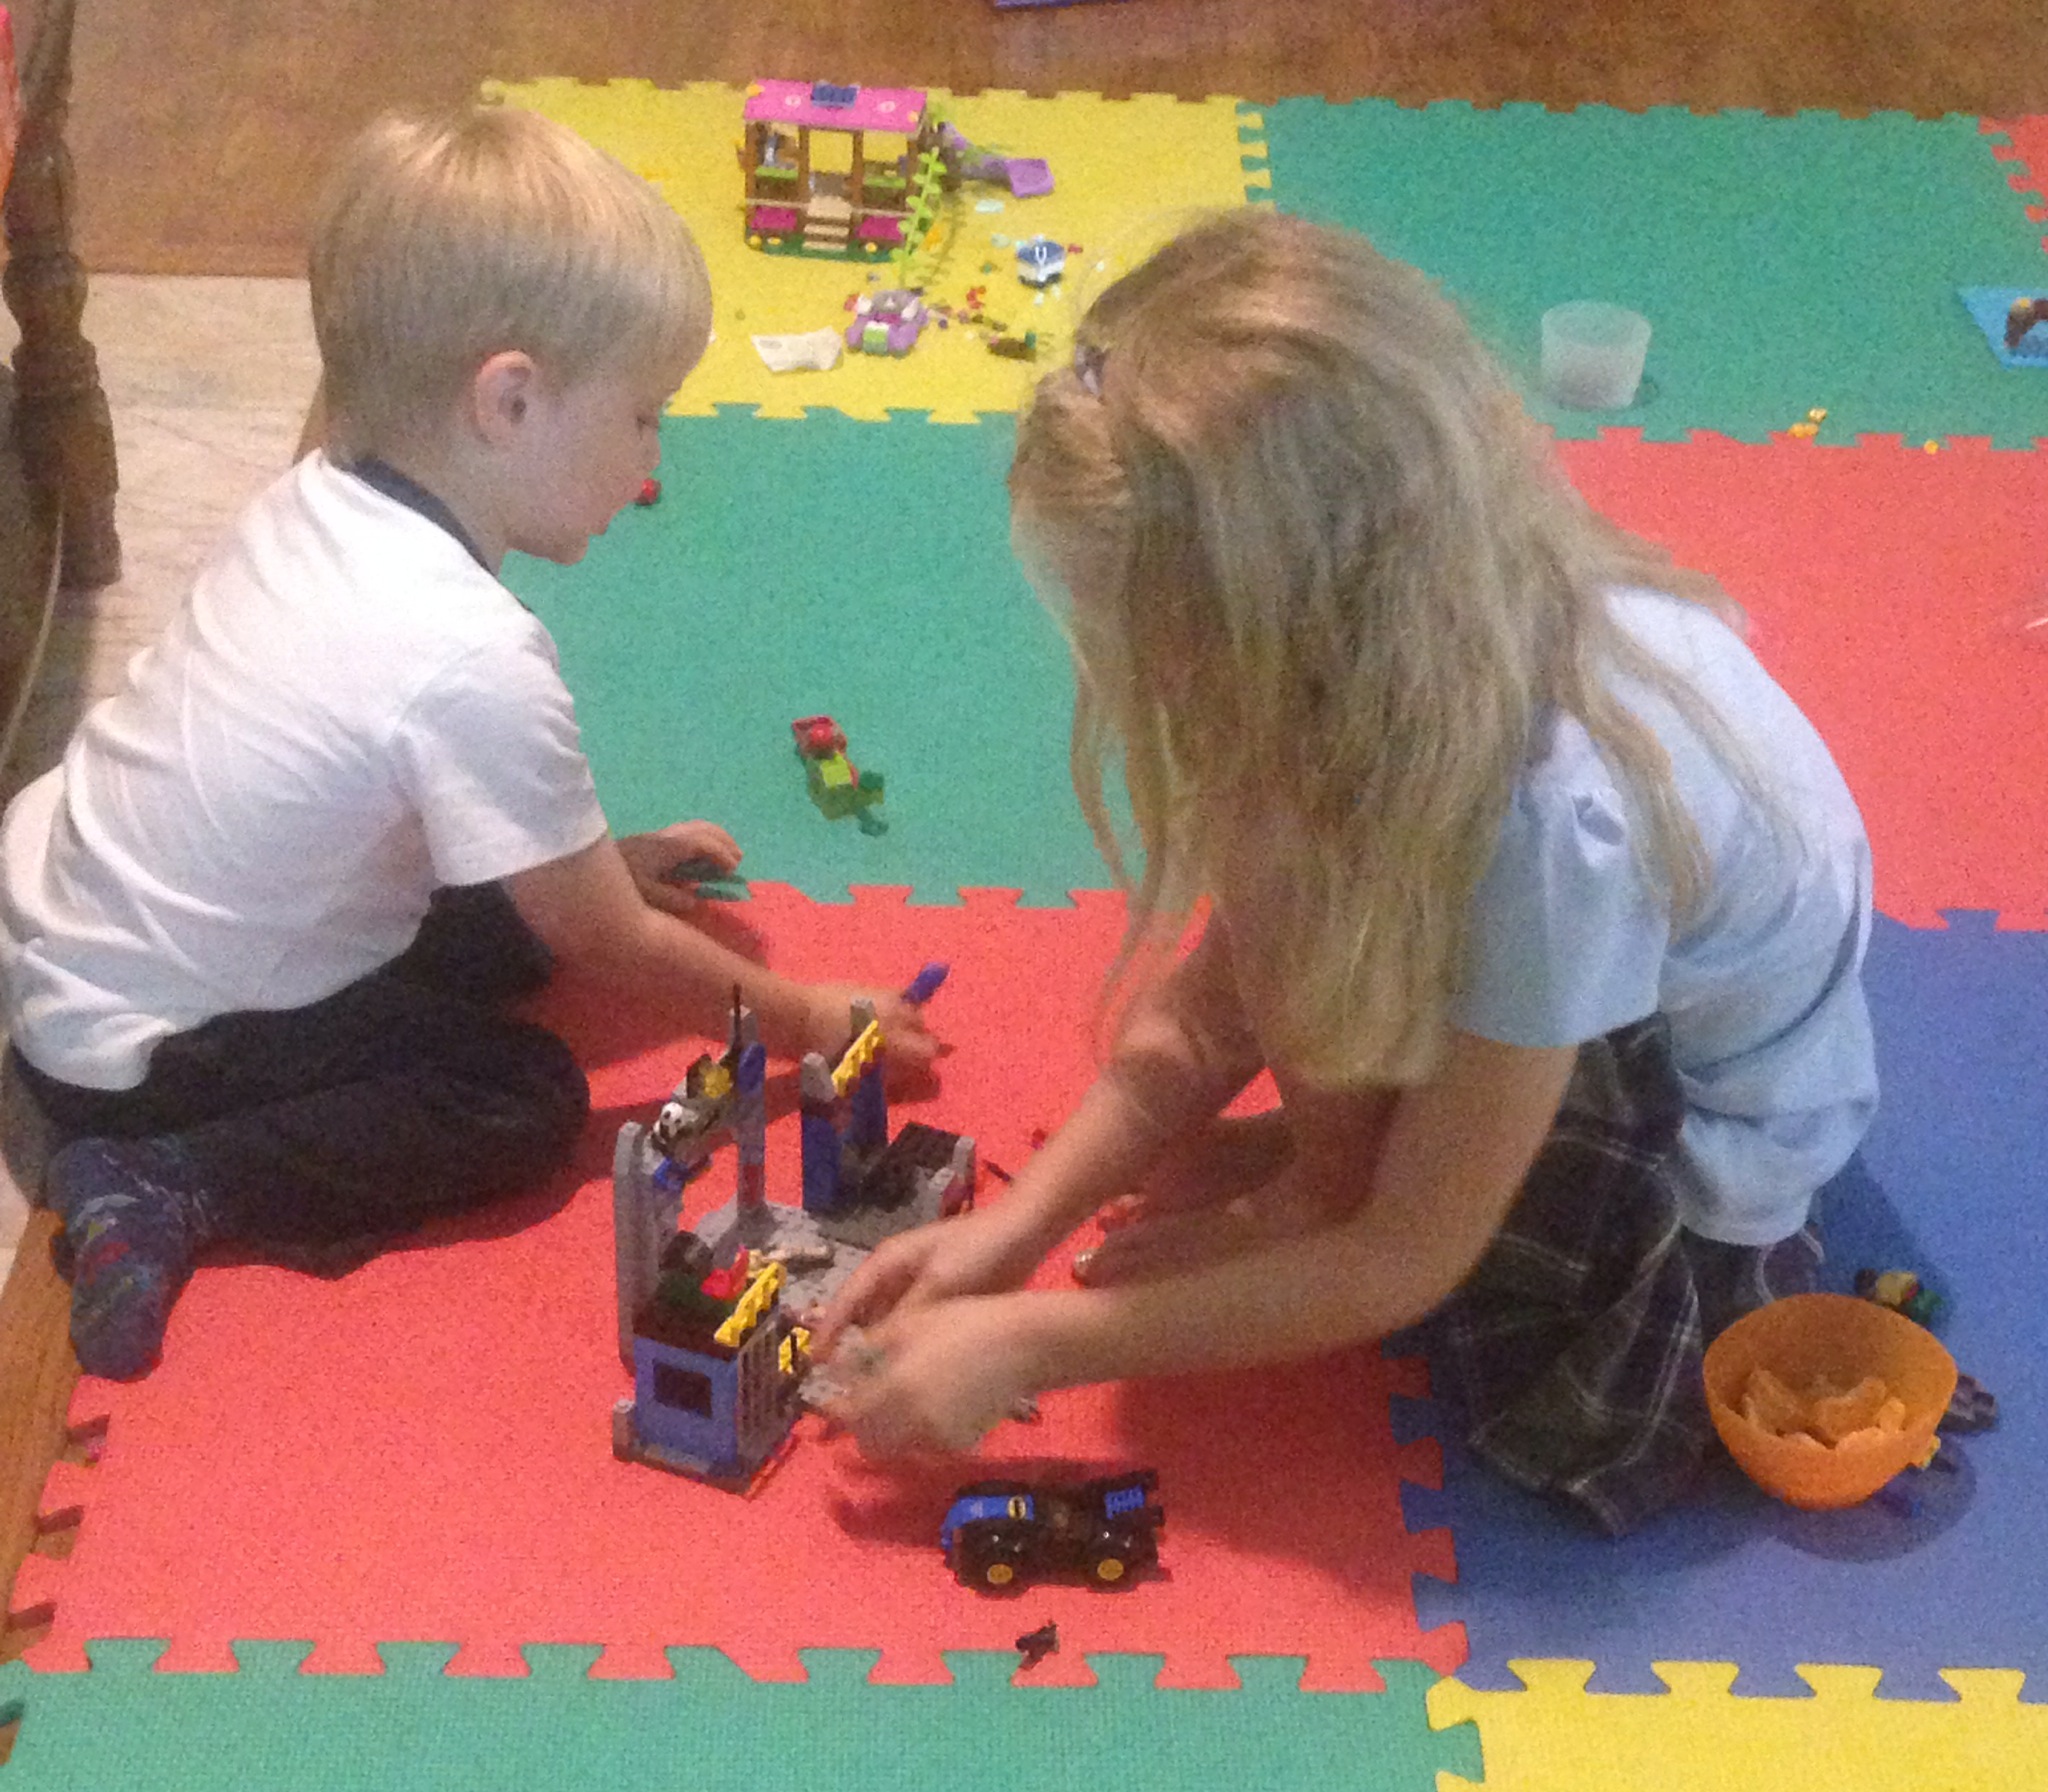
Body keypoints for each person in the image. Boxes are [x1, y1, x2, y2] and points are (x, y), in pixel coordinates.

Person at [814, 210, 1874, 1535]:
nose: (1147, 683)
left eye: (1162, 647)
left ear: (1286, 625)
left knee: (1497, 1301)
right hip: (1582, 974)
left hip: (1703, 1135)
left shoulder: (1556, 821)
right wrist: (1016, 1227)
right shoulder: (1417, 621)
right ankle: (1343, 1161)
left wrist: (1034, 1343)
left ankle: (1352, 1165)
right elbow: (1217, 1004)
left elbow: (1401, 1262)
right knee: (1284, 859)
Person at [0, 106, 935, 1381]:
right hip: (145, 1056)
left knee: (503, 917)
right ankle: (169, 1177)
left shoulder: (314, 493)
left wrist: (600, 864)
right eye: (642, 416)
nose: (652, 462)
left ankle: (165, 1130)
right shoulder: (467, 656)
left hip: (66, 933)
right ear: (511, 400)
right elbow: (608, 944)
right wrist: (808, 1018)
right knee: (518, 1098)